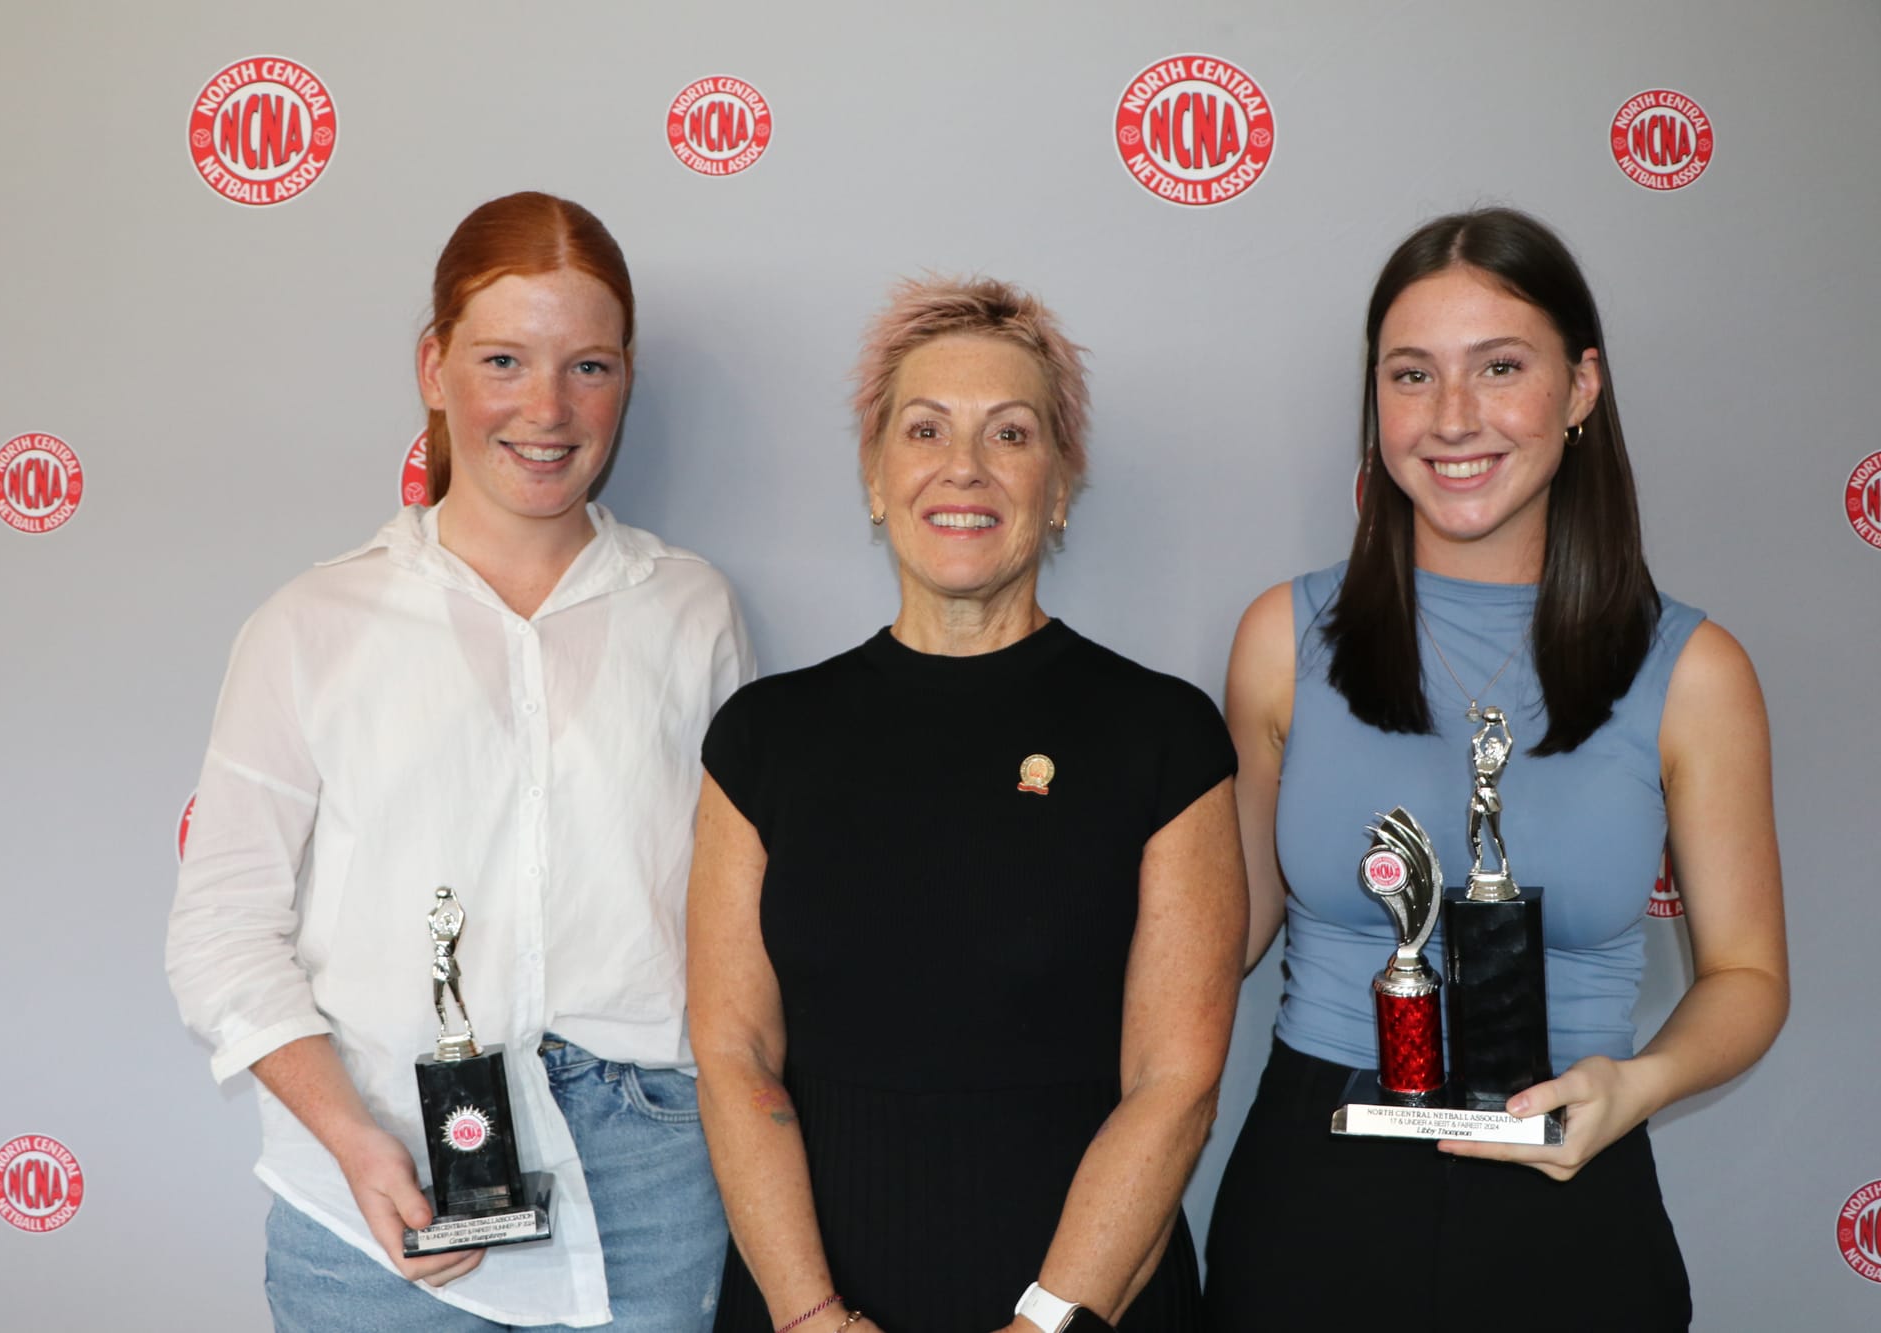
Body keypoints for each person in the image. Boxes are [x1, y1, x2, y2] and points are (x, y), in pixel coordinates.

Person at [166, 191, 753, 1332]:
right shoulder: (311, 623)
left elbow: (734, 921)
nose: (546, 407)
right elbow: (220, 930)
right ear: (433, 368)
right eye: (502, 359)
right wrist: (352, 1139)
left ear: (626, 379)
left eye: (588, 366)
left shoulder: (693, 611)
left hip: (651, 1198)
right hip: (372, 1194)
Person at [1203, 208, 1788, 1330]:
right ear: (1373, 406)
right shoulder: (1281, 637)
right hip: (1315, 1193)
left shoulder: (1692, 671)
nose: (1451, 418)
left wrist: (1637, 1085)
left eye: (1500, 368)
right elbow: (1221, 935)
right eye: (1410, 374)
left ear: (1579, 388)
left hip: (1572, 1180)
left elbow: (1747, 976)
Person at [689, 276, 1249, 1333]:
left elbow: (1174, 1081)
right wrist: (807, 1316)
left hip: (1083, 1298)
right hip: (810, 1296)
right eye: (924, 429)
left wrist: (1044, 1321)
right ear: (872, 476)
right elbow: (734, 1057)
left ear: (1061, 485)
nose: (963, 468)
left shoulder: (1162, 737)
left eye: (1009, 433)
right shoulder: (761, 740)